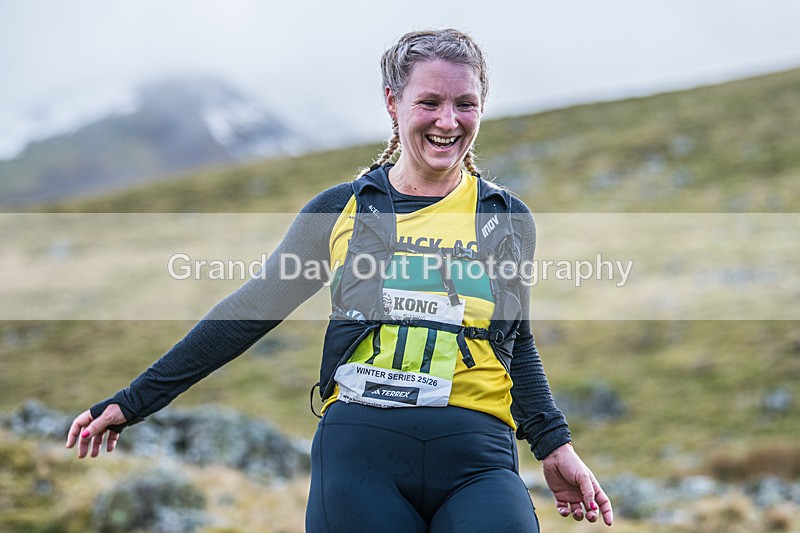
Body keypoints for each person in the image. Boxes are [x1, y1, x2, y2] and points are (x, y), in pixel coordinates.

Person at [67, 28, 613, 531]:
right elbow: (251, 309)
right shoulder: (340, 210)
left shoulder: (505, 218)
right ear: (392, 102)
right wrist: (134, 401)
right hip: (361, 454)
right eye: (429, 102)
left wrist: (553, 444)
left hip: (479, 459)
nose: (448, 122)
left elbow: (515, 340)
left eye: (465, 104)